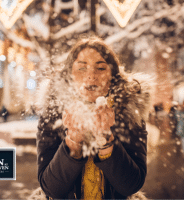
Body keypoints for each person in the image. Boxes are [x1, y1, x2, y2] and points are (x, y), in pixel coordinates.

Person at [36, 37, 148, 199]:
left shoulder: (130, 113)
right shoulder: (53, 115)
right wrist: (73, 141)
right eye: (82, 68)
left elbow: (131, 185)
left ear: (113, 76)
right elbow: (51, 188)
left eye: (101, 68)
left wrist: (106, 140)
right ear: (70, 75)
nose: (91, 76)